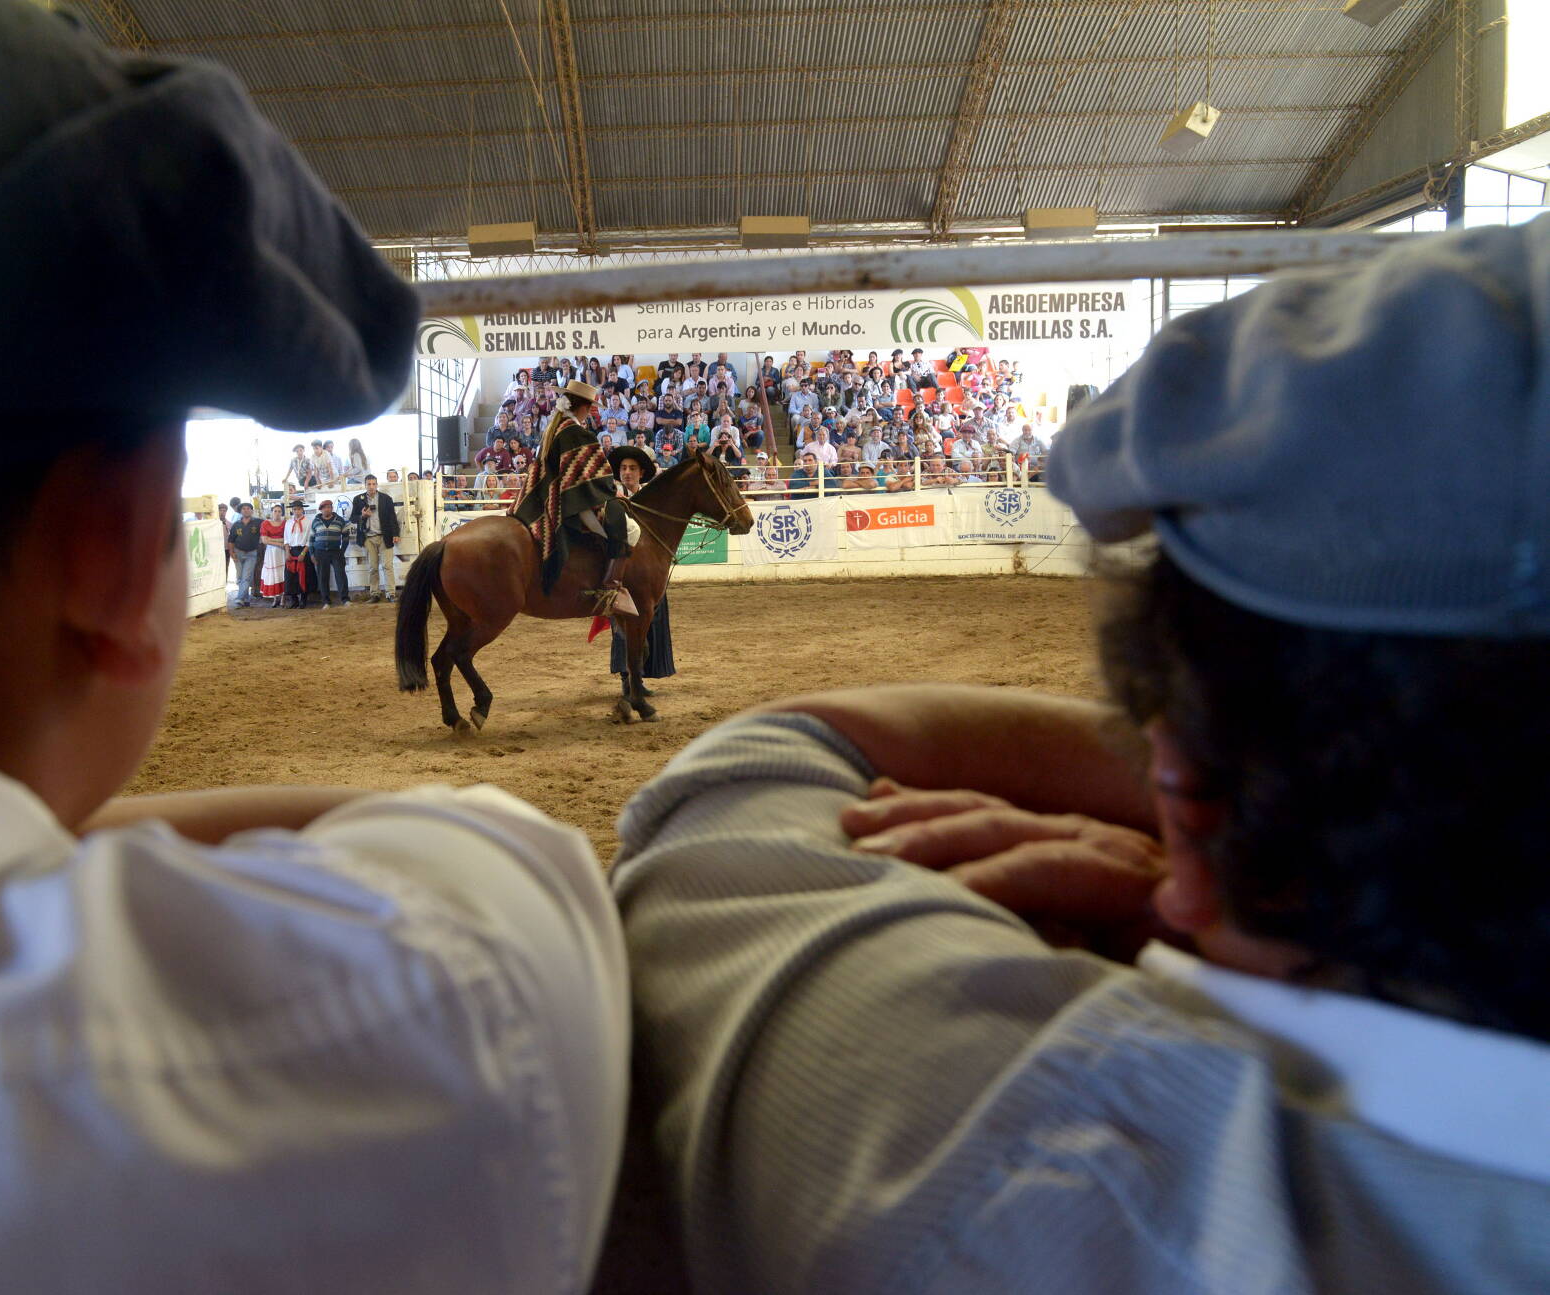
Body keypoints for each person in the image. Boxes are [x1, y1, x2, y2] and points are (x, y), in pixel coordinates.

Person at [0, 2, 629, 1292]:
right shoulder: (406, 1009)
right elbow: (511, 876)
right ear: (118, 537)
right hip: (537, 528)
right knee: (568, 538)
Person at [606, 219, 1550, 1294]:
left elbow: (751, 775)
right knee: (591, 536)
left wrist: (1220, 803)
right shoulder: (596, 450)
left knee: (604, 549)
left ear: (1180, 794)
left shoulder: (1027, 1167)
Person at [509, 380, 635, 615]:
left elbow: (580, 470)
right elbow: (593, 474)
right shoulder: (576, 432)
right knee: (631, 529)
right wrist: (611, 489)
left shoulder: (556, 427)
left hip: (555, 493)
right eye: (592, 407)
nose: (593, 411)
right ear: (584, 407)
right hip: (573, 499)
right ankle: (611, 587)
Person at [603, 445, 676, 689]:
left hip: (650, 572)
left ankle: (640, 679)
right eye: (623, 468)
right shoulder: (612, 495)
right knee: (625, 626)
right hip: (624, 573)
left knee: (648, 624)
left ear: (641, 472)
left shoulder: (651, 496)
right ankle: (627, 678)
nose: (627, 473)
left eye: (632, 468)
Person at [350, 473, 401, 603]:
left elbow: (392, 518)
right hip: (368, 537)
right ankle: (375, 594)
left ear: (377, 485)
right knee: (373, 567)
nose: (371, 486)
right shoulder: (358, 499)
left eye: (373, 484)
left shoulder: (386, 498)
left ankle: (391, 593)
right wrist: (362, 516)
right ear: (365, 485)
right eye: (369, 484)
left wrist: (396, 534)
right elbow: (352, 518)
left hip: (385, 536)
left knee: (387, 566)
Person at [308, 497, 350, 608]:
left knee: (341, 575)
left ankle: (345, 599)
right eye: (325, 508)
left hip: (336, 552)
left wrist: (342, 550)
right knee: (322, 577)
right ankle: (326, 601)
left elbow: (346, 537)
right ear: (321, 510)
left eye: (329, 507)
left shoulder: (340, 520)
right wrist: (311, 554)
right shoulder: (315, 521)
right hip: (320, 552)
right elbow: (311, 539)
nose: (328, 509)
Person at [227, 500, 265, 608]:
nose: (246, 510)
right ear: (240, 511)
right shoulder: (236, 524)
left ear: (252, 511)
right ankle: (246, 599)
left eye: (248, 508)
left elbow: (269, 525)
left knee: (246, 577)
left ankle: (239, 598)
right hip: (238, 553)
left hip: (251, 553)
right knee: (240, 578)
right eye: (244, 508)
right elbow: (231, 540)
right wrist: (231, 552)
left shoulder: (259, 522)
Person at [283, 497, 316, 609]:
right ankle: (294, 600)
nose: (297, 511)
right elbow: (286, 539)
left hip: (303, 550)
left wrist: (303, 553)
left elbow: (310, 539)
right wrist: (287, 552)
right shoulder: (288, 522)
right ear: (292, 510)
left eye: (298, 509)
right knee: (291, 576)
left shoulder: (308, 521)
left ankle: (303, 599)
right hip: (292, 550)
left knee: (304, 576)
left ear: (302, 510)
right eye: (295, 509)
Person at [257, 502, 288, 607]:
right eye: (275, 511)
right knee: (274, 574)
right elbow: (264, 540)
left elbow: (287, 539)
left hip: (282, 552)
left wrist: (271, 539)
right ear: (272, 512)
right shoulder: (265, 523)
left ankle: (283, 598)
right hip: (271, 553)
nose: (277, 513)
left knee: (282, 574)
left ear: (282, 513)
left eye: (279, 511)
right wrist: (279, 543)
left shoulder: (285, 523)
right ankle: (276, 598)